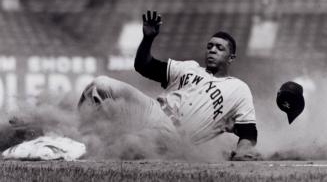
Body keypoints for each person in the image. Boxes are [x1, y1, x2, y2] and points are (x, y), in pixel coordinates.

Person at [78, 11, 260, 161]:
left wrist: (243, 152)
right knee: (101, 85)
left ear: (231, 58)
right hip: (152, 111)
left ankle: (92, 151)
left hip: (176, 136)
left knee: (130, 145)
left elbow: (248, 132)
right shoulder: (189, 68)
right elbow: (144, 66)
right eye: (210, 46)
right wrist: (147, 39)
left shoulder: (239, 88)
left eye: (220, 48)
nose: (212, 50)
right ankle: (82, 139)